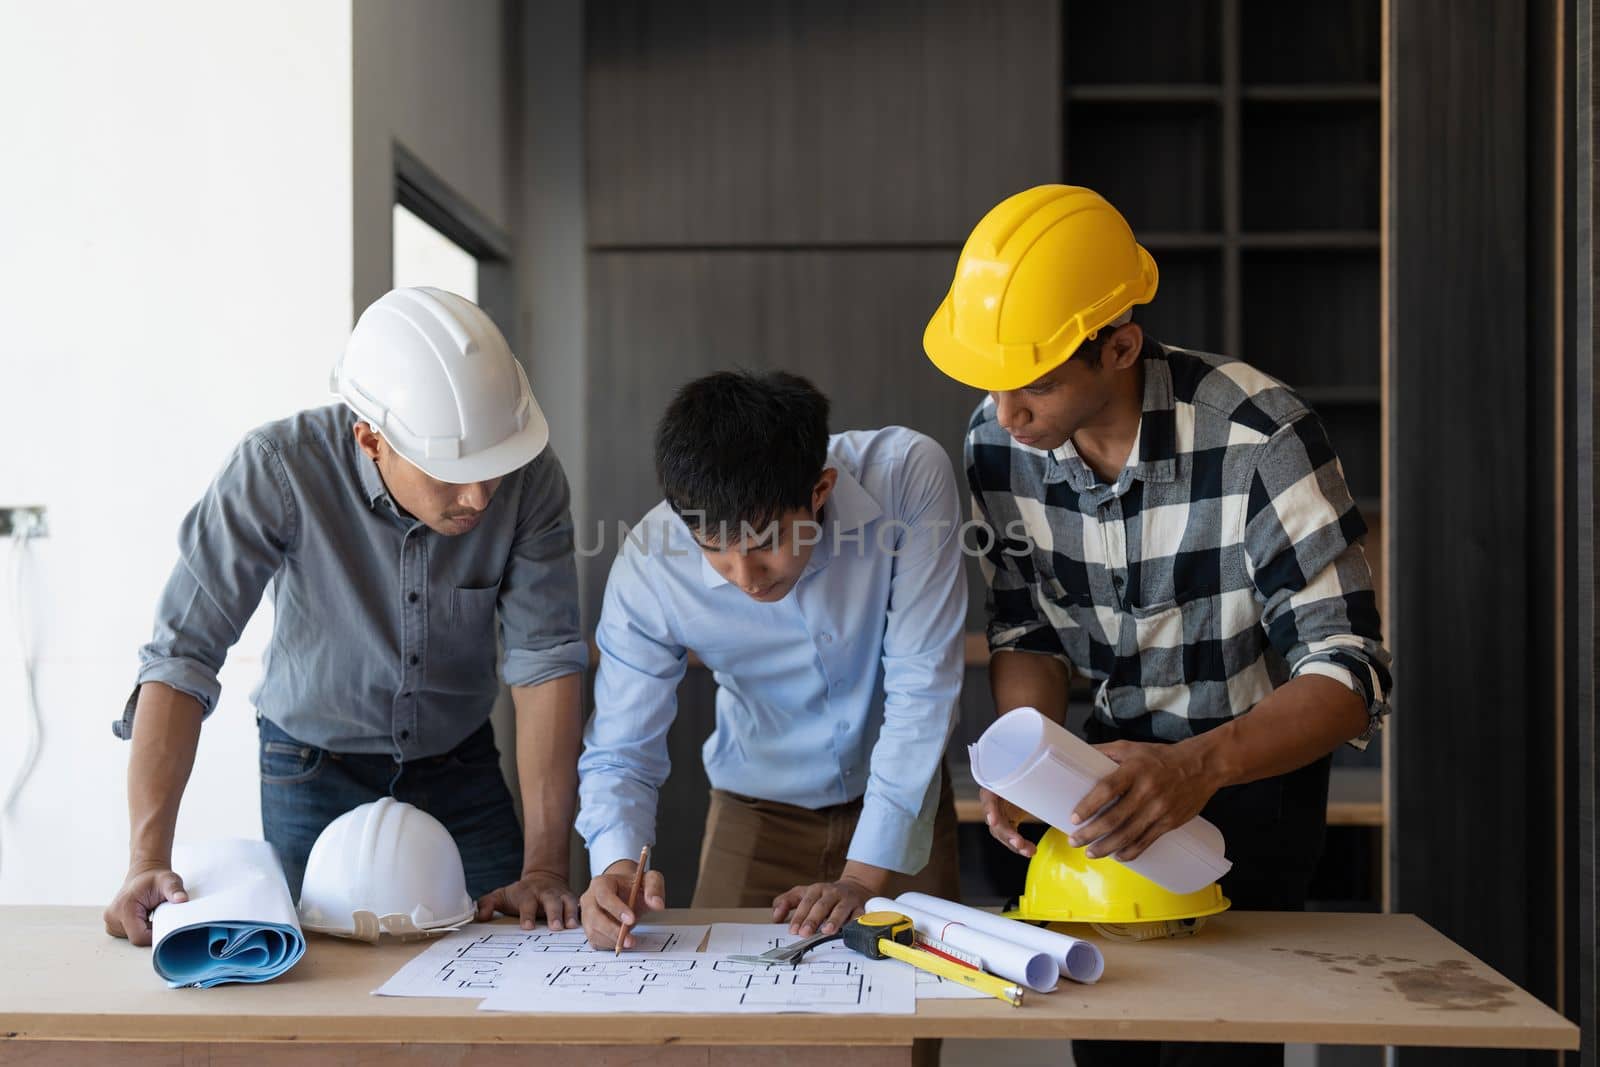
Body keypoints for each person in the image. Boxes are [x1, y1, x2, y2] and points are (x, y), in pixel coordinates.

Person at [924, 185, 1393, 1067]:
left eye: (1036, 382)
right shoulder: (1000, 439)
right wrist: (1028, 751)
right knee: (1110, 1044)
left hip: (1246, 780)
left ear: (1121, 346)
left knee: (1222, 1050)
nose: (1007, 409)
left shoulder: (1261, 437)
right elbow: (1024, 622)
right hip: (1093, 783)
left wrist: (1197, 765)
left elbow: (1350, 669)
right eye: (994, 380)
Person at [103, 287, 588, 947]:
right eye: (451, 473)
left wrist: (545, 866)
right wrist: (147, 859)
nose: (479, 495)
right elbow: (182, 657)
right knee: (321, 981)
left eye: (491, 469)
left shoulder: (529, 480)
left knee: (512, 949)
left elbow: (546, 660)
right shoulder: (277, 470)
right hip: (309, 765)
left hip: (461, 766)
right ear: (370, 437)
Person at [576, 370, 966, 949]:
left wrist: (861, 877)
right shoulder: (650, 567)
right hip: (755, 809)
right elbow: (621, 748)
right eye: (716, 552)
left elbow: (922, 688)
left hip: (905, 804)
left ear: (820, 490)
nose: (745, 578)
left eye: (764, 544)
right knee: (721, 1014)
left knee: (915, 1015)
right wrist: (614, 866)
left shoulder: (906, 476)